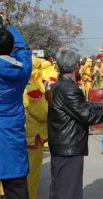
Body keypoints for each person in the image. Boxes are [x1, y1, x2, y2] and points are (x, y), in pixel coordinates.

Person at [47, 49, 103, 199]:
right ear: (76, 66)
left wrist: (99, 105)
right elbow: (87, 116)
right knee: (68, 193)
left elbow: (80, 107)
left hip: (62, 147)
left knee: (59, 190)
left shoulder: (61, 85)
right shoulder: (69, 89)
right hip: (68, 149)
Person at [0, 13, 32, 199]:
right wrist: (8, 25)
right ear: (11, 47)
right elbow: (24, 50)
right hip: (12, 141)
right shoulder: (21, 71)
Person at [23, 56, 48, 199]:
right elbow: (43, 113)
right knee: (31, 173)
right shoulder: (31, 88)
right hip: (31, 137)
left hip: (14, 134)